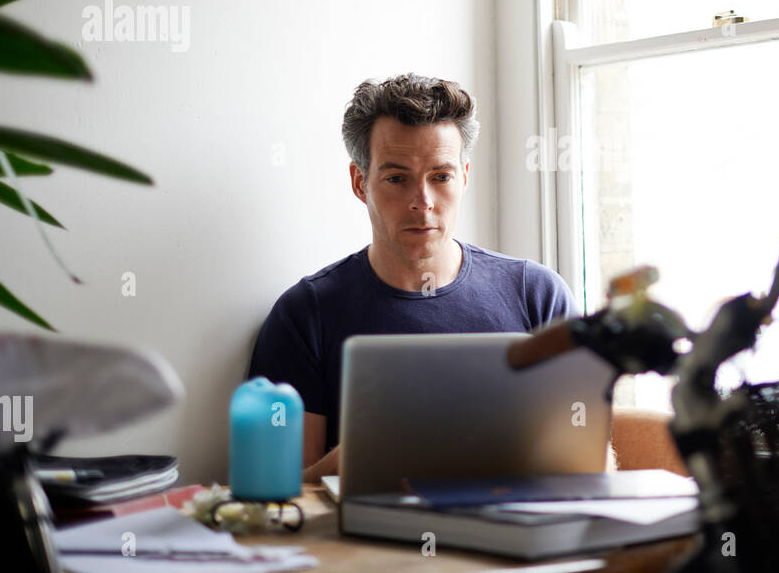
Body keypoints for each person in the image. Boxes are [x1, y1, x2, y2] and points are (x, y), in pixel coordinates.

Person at [246, 72, 594, 482]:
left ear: (464, 177)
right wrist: (368, 450)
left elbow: (592, 461)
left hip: (512, 532)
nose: (422, 202)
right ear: (361, 183)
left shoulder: (538, 295)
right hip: (369, 542)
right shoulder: (305, 313)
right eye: (397, 179)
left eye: (441, 177)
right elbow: (277, 493)